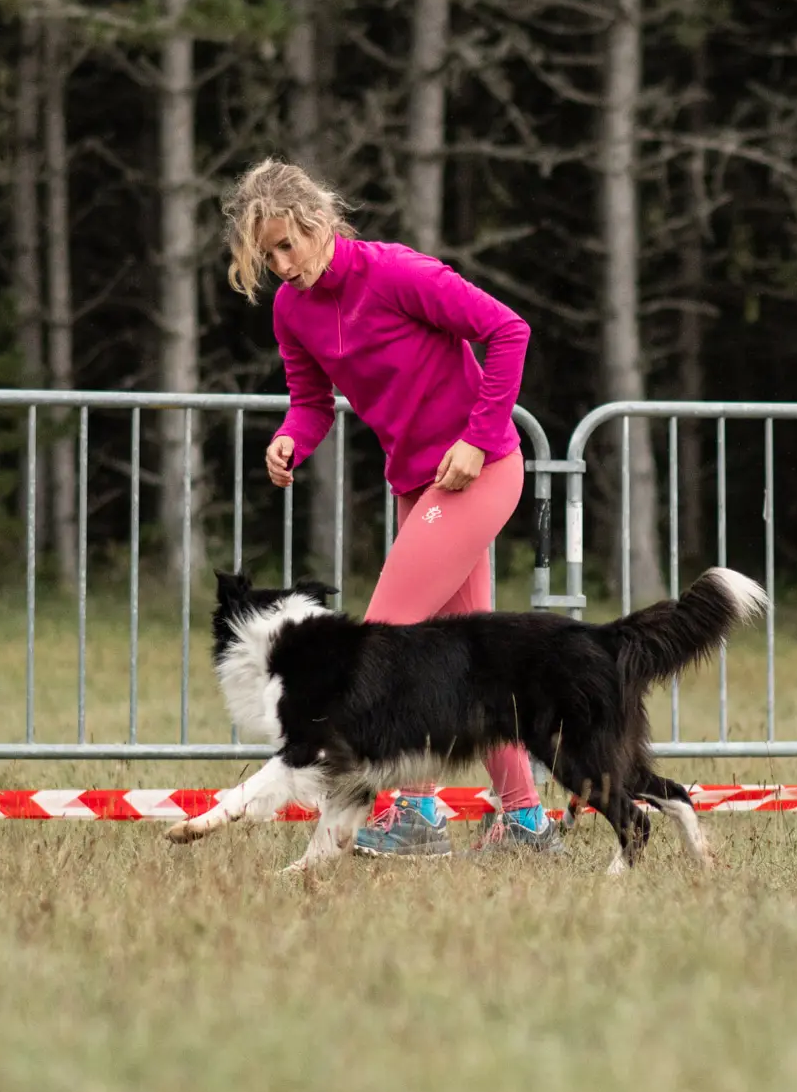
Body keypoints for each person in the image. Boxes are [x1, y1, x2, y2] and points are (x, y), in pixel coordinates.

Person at [219, 157, 559, 857]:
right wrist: (290, 438)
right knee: (474, 661)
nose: (282, 264)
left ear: (320, 225)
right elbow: (312, 402)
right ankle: (525, 820)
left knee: (377, 647)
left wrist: (479, 437)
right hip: (417, 486)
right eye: (268, 253)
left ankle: (413, 812)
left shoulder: (401, 274)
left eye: (288, 244)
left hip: (480, 470)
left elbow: (509, 332)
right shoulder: (292, 310)